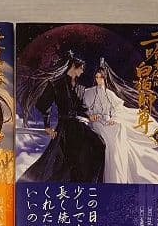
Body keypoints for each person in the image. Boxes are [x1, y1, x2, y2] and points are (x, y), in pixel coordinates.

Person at [81, 58, 158, 184]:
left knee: (132, 123)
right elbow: (85, 108)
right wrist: (91, 116)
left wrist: (114, 118)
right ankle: (117, 169)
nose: (99, 80)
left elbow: (117, 108)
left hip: (109, 120)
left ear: (105, 78)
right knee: (116, 132)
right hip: (97, 123)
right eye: (97, 77)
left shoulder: (109, 93)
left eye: (101, 78)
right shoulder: (89, 93)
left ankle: (157, 138)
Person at [19, 51, 105, 183]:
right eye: (81, 68)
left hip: (77, 126)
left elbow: (78, 106)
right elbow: (42, 105)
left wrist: (89, 115)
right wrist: (47, 126)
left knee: (98, 145)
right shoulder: (56, 83)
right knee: (70, 162)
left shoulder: (75, 84)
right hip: (65, 128)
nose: (82, 71)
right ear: (74, 66)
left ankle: (90, 184)